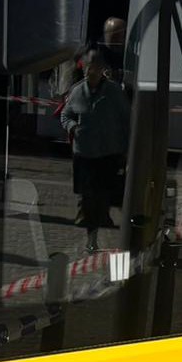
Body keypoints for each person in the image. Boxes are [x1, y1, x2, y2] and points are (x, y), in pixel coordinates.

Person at [59, 48, 129, 251]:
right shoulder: (77, 91)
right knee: (89, 198)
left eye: (95, 67)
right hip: (85, 153)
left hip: (108, 153)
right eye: (88, 67)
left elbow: (126, 120)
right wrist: (73, 127)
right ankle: (92, 239)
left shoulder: (114, 92)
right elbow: (65, 115)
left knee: (103, 196)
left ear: (102, 69)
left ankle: (110, 234)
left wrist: (126, 149)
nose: (91, 71)